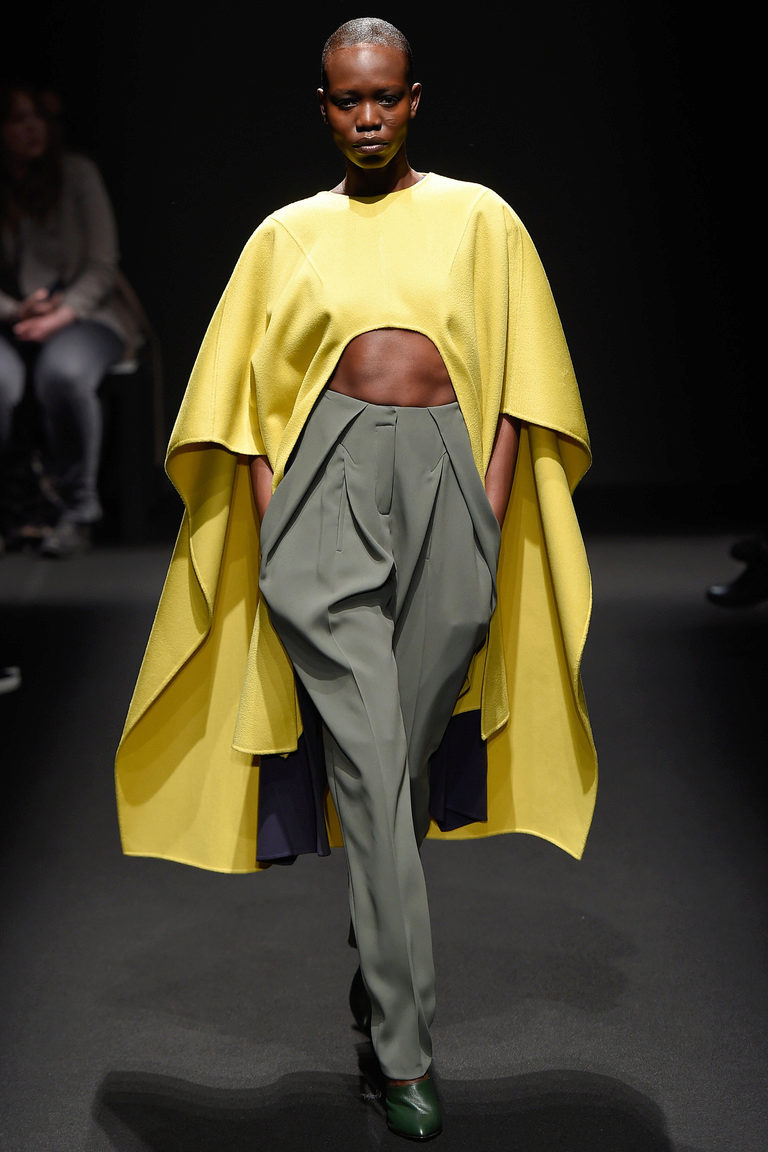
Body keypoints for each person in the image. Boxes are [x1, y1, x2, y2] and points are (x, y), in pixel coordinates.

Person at [115, 18, 598, 1141]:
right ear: (323, 106)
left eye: (385, 96)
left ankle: (376, 940)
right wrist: (278, 522)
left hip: (448, 484)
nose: (368, 117)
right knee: (376, 769)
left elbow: (525, 382)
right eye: (347, 99)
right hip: (322, 489)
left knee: (401, 765)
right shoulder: (286, 235)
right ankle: (405, 1050)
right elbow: (238, 399)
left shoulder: (482, 219)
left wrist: (485, 508)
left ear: (415, 98)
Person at [0, 82, 144, 557]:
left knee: (63, 374)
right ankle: (13, 512)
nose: (31, 129)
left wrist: (60, 315)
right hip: (12, 319)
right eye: (18, 119)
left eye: (37, 118)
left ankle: (78, 510)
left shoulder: (77, 175)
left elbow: (103, 265)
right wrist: (16, 310)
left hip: (86, 313)